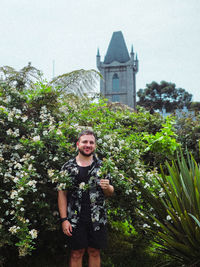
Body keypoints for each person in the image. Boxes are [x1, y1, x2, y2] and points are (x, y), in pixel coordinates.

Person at [58, 129, 114, 267]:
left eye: (91, 142)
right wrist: (64, 219)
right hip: (75, 219)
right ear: (78, 144)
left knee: (94, 252)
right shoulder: (67, 167)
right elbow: (62, 194)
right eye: (85, 142)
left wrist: (107, 187)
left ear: (94, 145)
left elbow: (110, 192)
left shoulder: (102, 166)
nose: (88, 145)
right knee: (76, 253)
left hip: (97, 218)